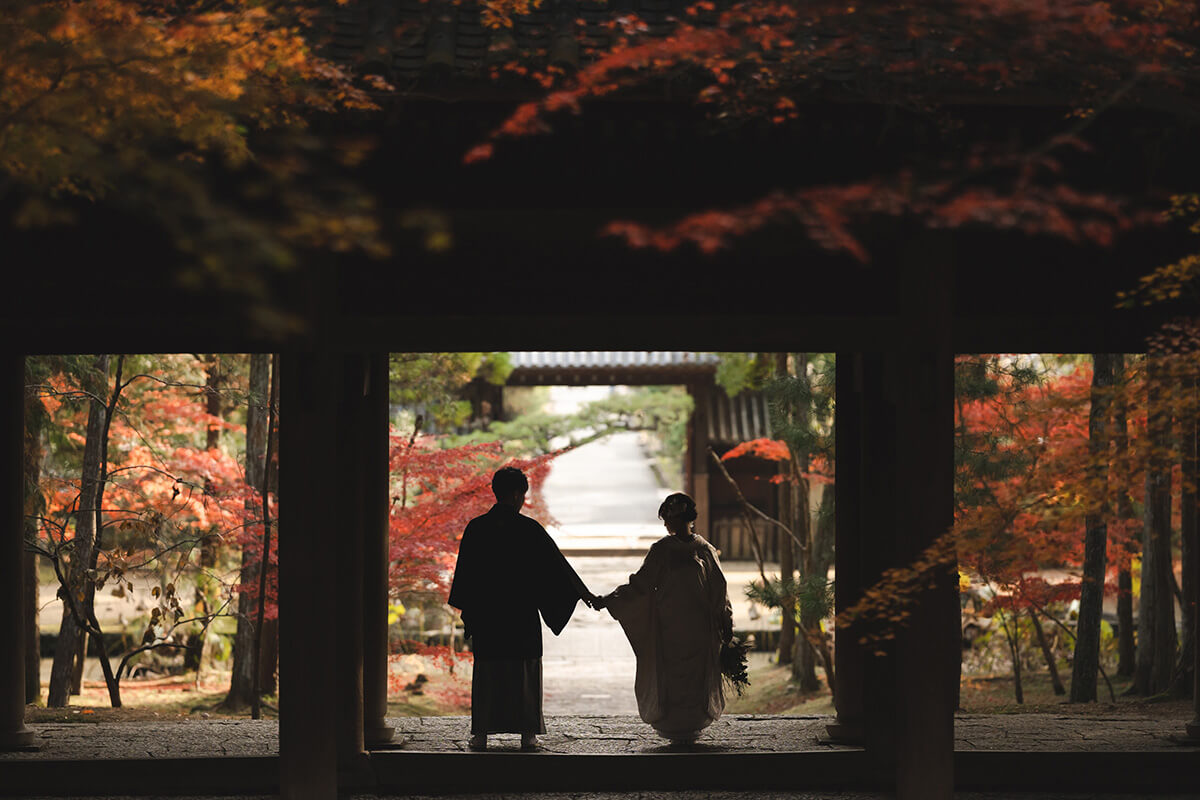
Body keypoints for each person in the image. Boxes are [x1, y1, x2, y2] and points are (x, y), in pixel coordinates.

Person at [447, 466, 596, 751]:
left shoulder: (476, 528)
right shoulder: (529, 530)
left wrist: (471, 611)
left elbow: (465, 574)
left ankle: (481, 735)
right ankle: (528, 734)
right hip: (521, 614)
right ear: (517, 494)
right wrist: (583, 593)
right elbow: (557, 570)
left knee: (488, 671)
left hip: (489, 614)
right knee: (524, 670)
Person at [593, 492, 734, 746]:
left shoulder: (703, 549)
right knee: (673, 678)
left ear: (685, 519)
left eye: (670, 518)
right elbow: (640, 586)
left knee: (693, 679)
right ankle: (676, 727)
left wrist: (725, 620)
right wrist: (611, 598)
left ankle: (691, 726)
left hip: (698, 630)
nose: (668, 523)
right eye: (666, 518)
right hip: (671, 629)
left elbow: (719, 591)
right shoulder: (664, 550)